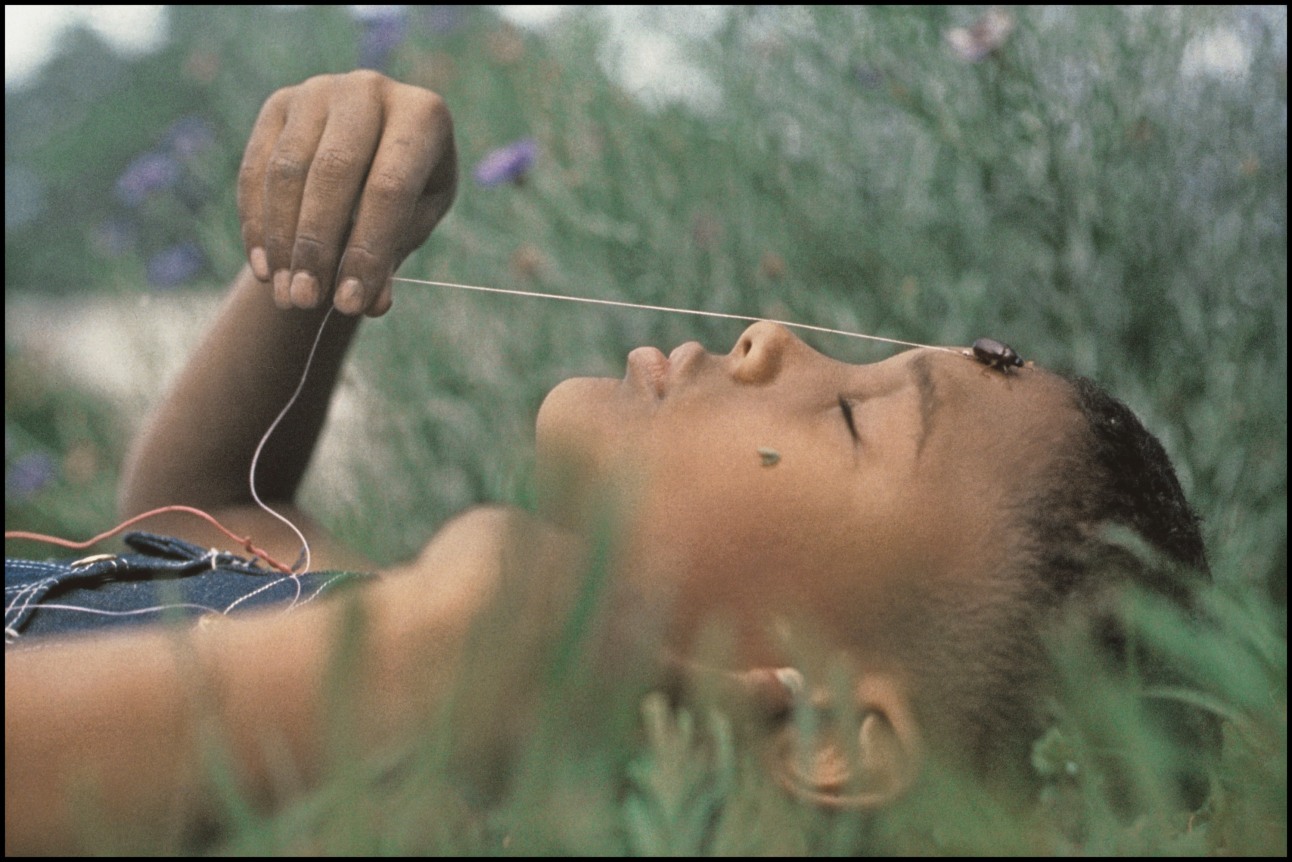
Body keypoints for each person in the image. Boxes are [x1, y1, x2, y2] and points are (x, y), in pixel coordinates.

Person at [4, 71, 1212, 853]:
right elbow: (210, 502)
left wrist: (394, 676)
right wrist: (314, 263)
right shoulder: (424, 645)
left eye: (852, 419)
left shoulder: (429, 799)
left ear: (826, 734)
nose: (770, 337)